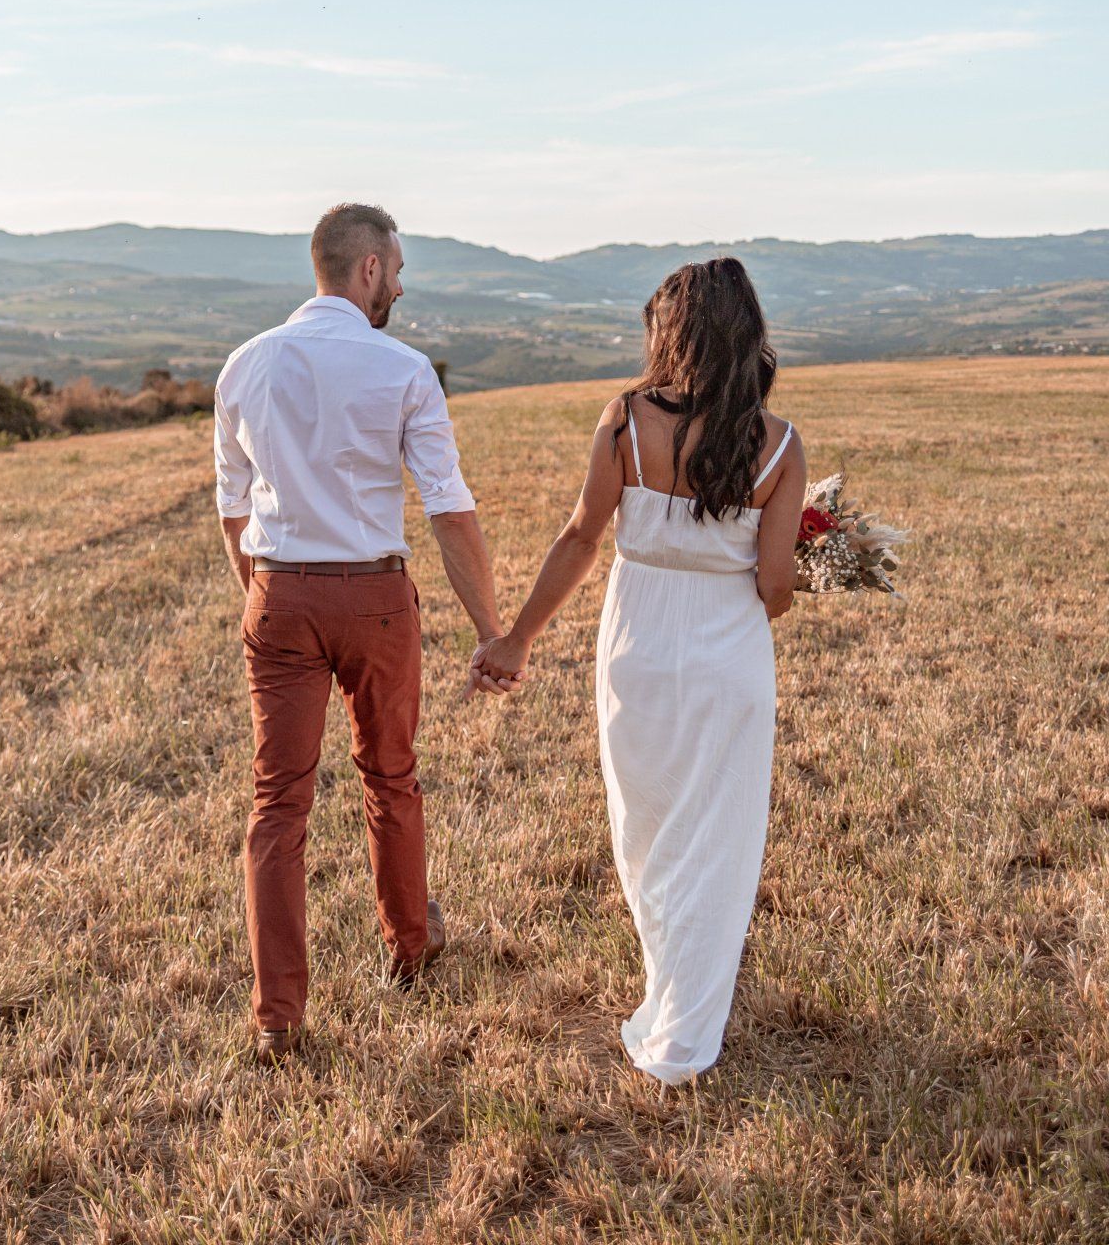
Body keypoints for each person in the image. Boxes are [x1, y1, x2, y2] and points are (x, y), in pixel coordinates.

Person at [472, 258, 803, 1084]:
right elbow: (774, 591)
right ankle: (688, 1021)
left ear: (672, 332)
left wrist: (517, 638)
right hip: (729, 655)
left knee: (647, 827)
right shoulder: (781, 445)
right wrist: (806, 554)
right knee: (717, 835)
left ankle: (670, 991)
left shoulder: (624, 421)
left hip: (638, 649)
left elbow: (582, 536)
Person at [214, 202, 520, 1063]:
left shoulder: (243, 365)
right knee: (392, 776)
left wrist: (265, 598)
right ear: (371, 270)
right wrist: (492, 631)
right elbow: (450, 513)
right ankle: (410, 951)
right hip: (378, 602)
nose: (399, 284)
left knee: (278, 804)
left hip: (279, 595)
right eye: (398, 268)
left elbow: (233, 509)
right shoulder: (405, 368)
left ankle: (278, 1016)